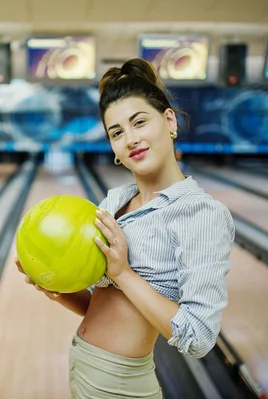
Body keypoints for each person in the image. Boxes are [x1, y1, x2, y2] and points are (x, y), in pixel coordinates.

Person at [15, 58, 235, 399]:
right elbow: (102, 307)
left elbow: (199, 337)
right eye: (117, 132)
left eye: (139, 122)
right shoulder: (114, 202)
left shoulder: (200, 213)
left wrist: (123, 272)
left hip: (121, 386)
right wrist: (53, 286)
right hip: (85, 369)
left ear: (169, 121)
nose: (130, 139)